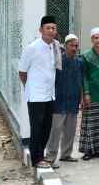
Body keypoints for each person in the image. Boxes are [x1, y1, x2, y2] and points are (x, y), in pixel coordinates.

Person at [18, 15, 61, 168]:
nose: (51, 31)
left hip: (49, 94)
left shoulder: (54, 47)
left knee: (46, 128)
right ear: (41, 30)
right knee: (37, 128)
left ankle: (41, 156)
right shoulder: (32, 48)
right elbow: (22, 72)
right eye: (48, 28)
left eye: (53, 28)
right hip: (36, 96)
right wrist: (29, 86)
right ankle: (36, 159)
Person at [45, 34, 83, 168]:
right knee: (55, 130)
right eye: (71, 45)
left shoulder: (79, 62)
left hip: (73, 100)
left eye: (76, 46)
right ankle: (50, 157)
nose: (74, 48)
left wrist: (82, 97)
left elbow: (81, 81)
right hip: (58, 101)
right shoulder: (57, 61)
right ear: (65, 46)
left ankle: (66, 154)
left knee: (70, 130)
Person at [78, 27, 99, 160]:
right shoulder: (85, 56)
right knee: (91, 122)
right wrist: (86, 93)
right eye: (95, 37)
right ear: (91, 39)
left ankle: (98, 149)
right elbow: (84, 76)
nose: (98, 40)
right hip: (91, 93)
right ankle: (88, 151)